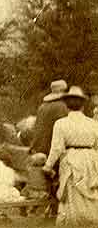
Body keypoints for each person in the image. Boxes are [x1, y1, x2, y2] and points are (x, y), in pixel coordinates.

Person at [43, 86, 98, 224]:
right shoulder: (93, 124)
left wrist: (48, 166)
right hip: (90, 161)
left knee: (72, 198)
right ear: (83, 105)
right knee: (90, 197)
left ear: (67, 105)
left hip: (71, 161)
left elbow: (56, 148)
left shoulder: (61, 124)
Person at [34, 79, 70, 217]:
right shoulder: (63, 106)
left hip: (43, 147)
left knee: (49, 178)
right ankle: (58, 208)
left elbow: (37, 129)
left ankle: (51, 208)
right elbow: (66, 129)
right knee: (61, 177)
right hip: (58, 147)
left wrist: (35, 147)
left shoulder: (42, 107)